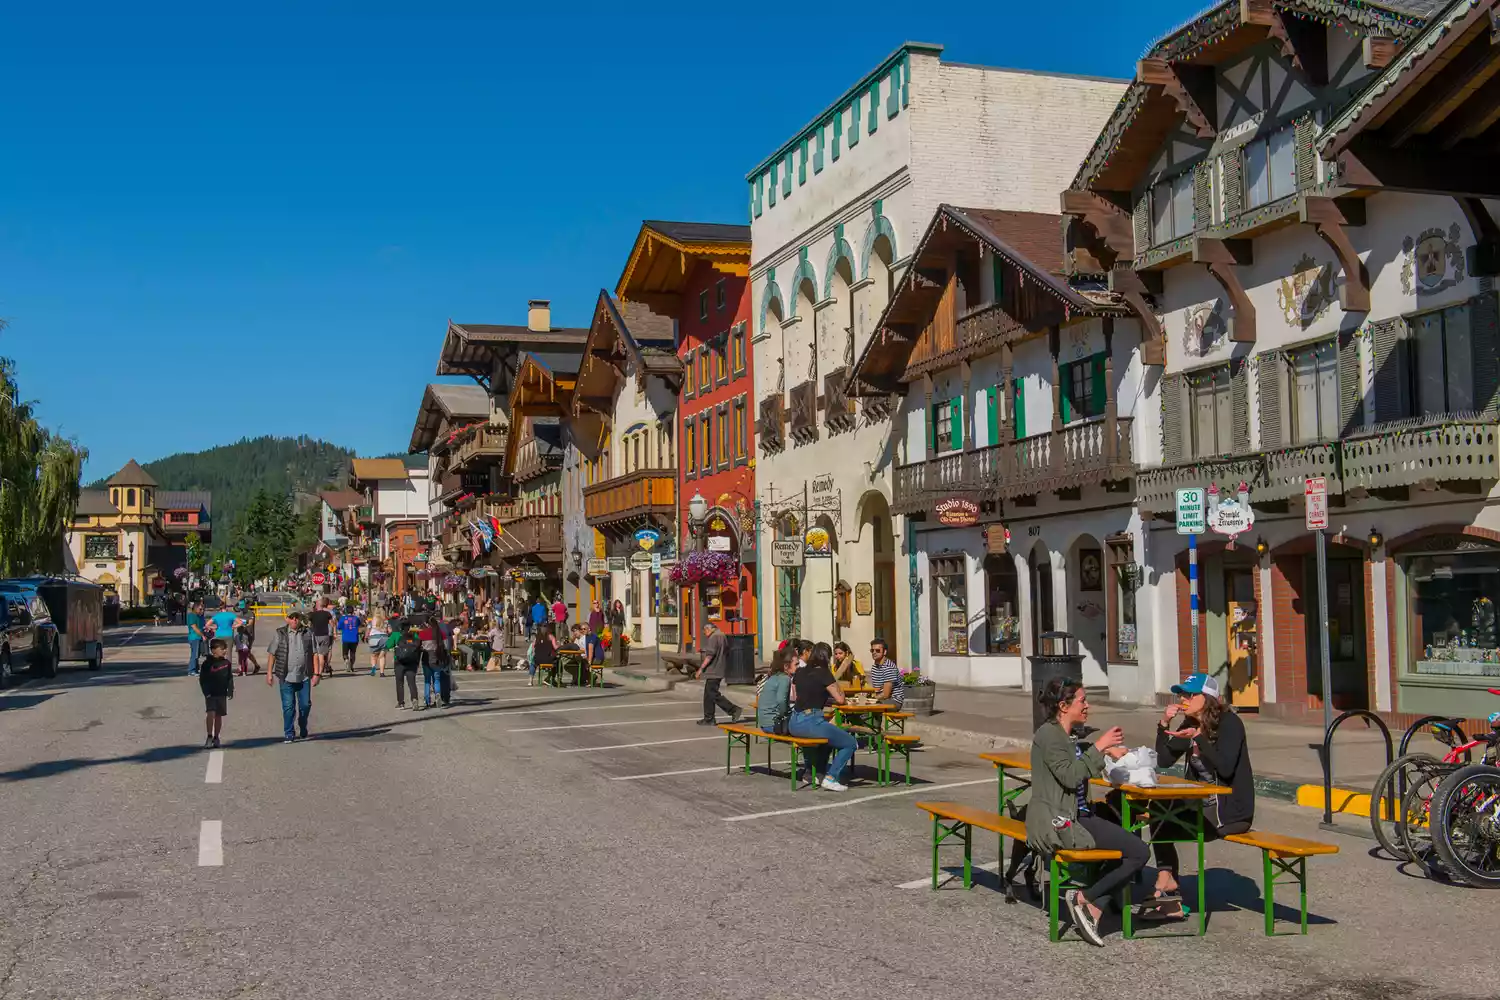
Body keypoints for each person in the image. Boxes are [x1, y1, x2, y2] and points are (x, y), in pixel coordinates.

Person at [1025, 678, 1146, 947]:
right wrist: (1100, 747)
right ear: (1063, 706)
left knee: (1122, 844)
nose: (1087, 705)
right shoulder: (1048, 735)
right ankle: (1085, 899)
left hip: (1076, 815)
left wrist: (1105, 751)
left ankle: (1092, 905)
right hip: (1063, 821)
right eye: (1082, 700)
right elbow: (1070, 776)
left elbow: (1074, 760)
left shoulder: (1064, 735)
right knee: (1139, 852)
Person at [1145, 673, 1254, 917]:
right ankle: (1167, 881)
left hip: (1229, 811)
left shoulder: (1230, 724)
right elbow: (1163, 759)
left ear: (1207, 698)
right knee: (1158, 810)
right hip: (1201, 805)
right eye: (1181, 694)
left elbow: (1225, 768)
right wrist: (1164, 724)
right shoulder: (1190, 722)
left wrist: (1199, 739)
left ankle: (1168, 892)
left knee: (1164, 821)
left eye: (1189, 694)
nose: (1183, 699)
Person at [787, 642, 858, 791]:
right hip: (810, 722)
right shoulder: (824, 673)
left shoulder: (801, 672)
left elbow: (808, 692)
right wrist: (834, 680)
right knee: (850, 743)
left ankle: (814, 774)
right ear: (827, 657)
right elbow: (840, 699)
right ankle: (831, 778)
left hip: (794, 722)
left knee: (827, 741)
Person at [265, 611, 320, 744]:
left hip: (304, 676)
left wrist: (316, 674)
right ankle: (289, 733)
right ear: (287, 619)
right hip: (286, 676)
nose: (294, 620)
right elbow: (272, 654)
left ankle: (302, 724)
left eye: (297, 618)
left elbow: (315, 654)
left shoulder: (308, 633)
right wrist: (269, 673)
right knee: (288, 707)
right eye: (292, 618)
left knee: (305, 705)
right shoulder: (280, 633)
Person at [694, 621, 742, 726]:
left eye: (704, 632)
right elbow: (727, 651)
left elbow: (710, 655)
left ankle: (733, 709)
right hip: (720, 668)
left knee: (712, 693)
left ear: (708, 629)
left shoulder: (713, 637)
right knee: (708, 694)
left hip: (714, 670)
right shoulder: (722, 635)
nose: (705, 635)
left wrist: (701, 669)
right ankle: (709, 718)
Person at [198, 637, 234, 749]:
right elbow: (203, 679)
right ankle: (209, 736)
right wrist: (206, 692)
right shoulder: (207, 664)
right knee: (211, 713)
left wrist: (230, 689)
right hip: (211, 694)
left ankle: (216, 737)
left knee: (219, 716)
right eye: (222, 649)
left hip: (221, 693)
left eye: (225, 649)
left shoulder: (226, 663)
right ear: (214, 650)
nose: (225, 651)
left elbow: (229, 678)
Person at [756, 647, 793, 734]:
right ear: (786, 666)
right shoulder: (784, 679)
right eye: (796, 664)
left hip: (764, 723)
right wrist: (785, 714)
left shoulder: (774, 677)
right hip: (774, 724)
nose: (799, 666)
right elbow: (781, 701)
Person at [390, 619, 423, 709]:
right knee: (412, 682)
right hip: (412, 662)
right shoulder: (414, 635)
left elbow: (388, 645)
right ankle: (414, 699)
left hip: (399, 662)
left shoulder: (396, 635)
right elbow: (418, 645)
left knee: (399, 682)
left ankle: (401, 703)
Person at [864, 637, 904, 707]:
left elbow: (886, 694)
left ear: (885, 652)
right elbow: (877, 689)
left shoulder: (889, 667)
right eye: (872, 650)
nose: (874, 652)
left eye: (877, 650)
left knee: (866, 706)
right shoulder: (875, 667)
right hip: (882, 700)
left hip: (894, 701)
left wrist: (871, 699)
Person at [308, 597, 334, 677]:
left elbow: (309, 625)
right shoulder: (327, 614)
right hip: (325, 636)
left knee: (315, 654)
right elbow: (332, 624)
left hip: (315, 635)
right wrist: (333, 632)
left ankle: (316, 672)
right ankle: (320, 673)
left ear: (317, 605)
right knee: (321, 655)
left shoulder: (312, 615)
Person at [337, 605, 363, 673]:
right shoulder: (356, 618)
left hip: (346, 638)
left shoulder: (343, 618)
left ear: (346, 611)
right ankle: (351, 666)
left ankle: (346, 660)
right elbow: (360, 625)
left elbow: (339, 627)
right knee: (353, 653)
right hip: (354, 638)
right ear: (353, 611)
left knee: (345, 653)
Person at [367, 611, 391, 677]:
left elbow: (368, 630)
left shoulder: (371, 621)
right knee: (382, 656)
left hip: (374, 638)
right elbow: (390, 631)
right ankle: (382, 673)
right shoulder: (386, 621)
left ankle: (373, 669)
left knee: (373, 656)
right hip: (384, 638)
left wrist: (367, 637)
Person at [186, 602, 206, 675]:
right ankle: (191, 670)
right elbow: (194, 627)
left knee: (197, 654)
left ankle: (196, 669)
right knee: (194, 654)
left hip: (199, 637)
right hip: (194, 637)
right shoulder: (192, 615)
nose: (202, 611)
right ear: (195, 608)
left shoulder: (200, 617)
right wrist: (202, 635)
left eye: (203, 609)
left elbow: (203, 626)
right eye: (200, 609)